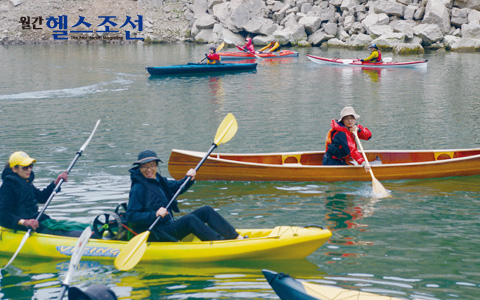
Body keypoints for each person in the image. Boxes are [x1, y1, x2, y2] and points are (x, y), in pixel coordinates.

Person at [126, 150, 244, 242]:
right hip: (157, 232)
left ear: (156, 166)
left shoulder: (159, 180)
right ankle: (218, 242)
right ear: (140, 168)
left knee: (206, 210)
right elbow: (131, 215)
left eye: (152, 165)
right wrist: (154, 214)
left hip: (169, 225)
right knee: (189, 220)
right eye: (145, 166)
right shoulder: (138, 188)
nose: (149, 170)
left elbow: (177, 187)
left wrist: (188, 178)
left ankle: (235, 237)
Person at [0, 151, 86, 237]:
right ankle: (89, 236)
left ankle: (93, 231)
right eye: (25, 167)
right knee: (59, 232)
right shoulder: (8, 186)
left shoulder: (25, 181)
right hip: (21, 227)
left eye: (30, 166)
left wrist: (56, 183)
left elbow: (41, 198)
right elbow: (3, 215)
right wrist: (25, 222)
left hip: (36, 220)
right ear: (14, 169)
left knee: (67, 226)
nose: (29, 170)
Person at [322, 107, 372, 171]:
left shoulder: (353, 127)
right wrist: (363, 163)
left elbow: (368, 136)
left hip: (342, 159)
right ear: (343, 120)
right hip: (332, 162)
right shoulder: (341, 133)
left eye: (352, 118)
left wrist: (359, 130)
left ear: (355, 119)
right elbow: (352, 150)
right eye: (346, 119)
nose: (350, 121)